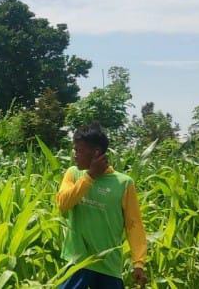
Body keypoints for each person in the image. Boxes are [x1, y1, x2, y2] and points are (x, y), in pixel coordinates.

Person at [56, 123, 147, 289]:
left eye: (79, 150)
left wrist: (138, 262)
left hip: (109, 267)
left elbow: (134, 225)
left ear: (96, 152)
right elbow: (63, 204)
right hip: (78, 263)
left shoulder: (124, 183)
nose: (75, 155)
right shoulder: (73, 174)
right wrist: (90, 176)